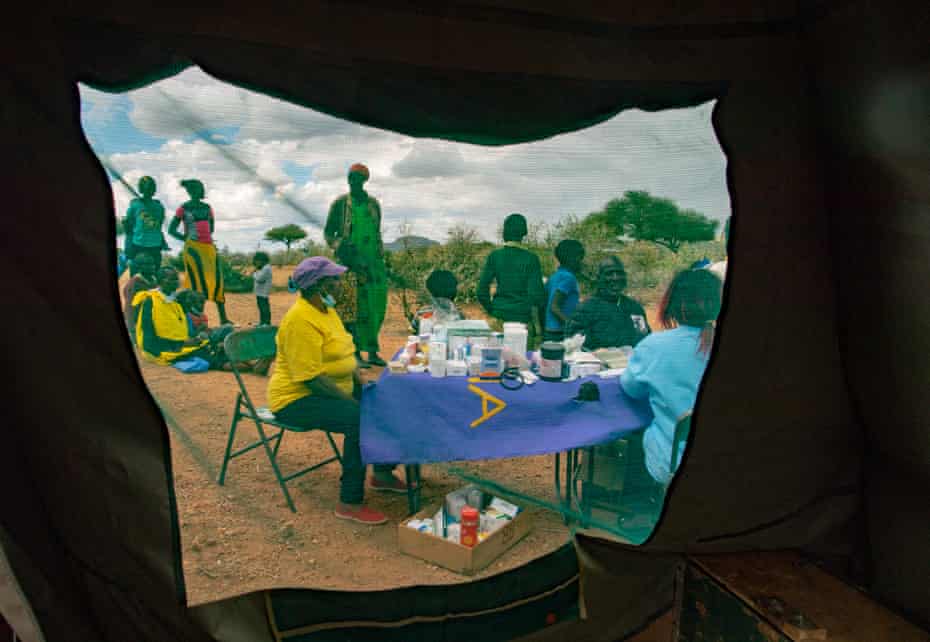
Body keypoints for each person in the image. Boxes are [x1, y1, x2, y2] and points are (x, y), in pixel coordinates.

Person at [267, 257, 403, 524]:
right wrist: (352, 402)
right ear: (319, 285)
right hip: (297, 398)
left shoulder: (327, 312)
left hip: (331, 389)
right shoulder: (300, 321)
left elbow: (345, 354)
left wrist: (363, 384)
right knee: (360, 419)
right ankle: (349, 502)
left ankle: (382, 473)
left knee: (386, 403)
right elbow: (310, 378)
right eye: (335, 280)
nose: (341, 285)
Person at [618, 268, 723, 514]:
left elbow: (630, 389)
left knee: (645, 432)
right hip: (728, 460)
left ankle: (642, 505)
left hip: (673, 464)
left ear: (673, 305)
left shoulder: (655, 346)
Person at [324, 163, 388, 367]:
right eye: (351, 177)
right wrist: (339, 246)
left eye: (358, 178)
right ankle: (355, 354)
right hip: (349, 264)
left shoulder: (374, 205)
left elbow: (377, 234)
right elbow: (328, 233)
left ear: (364, 181)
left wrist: (381, 260)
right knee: (352, 309)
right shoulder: (340, 204)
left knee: (375, 309)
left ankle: (373, 351)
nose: (353, 181)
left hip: (374, 266)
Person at [168, 179, 232, 325]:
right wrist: (186, 239)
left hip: (209, 249)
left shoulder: (208, 208)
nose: (199, 191)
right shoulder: (183, 208)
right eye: (196, 189)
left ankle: (223, 318)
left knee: (217, 282)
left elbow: (212, 229)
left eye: (201, 188)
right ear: (189, 191)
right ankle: (199, 319)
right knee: (197, 284)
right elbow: (171, 230)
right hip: (193, 249)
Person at [476, 213, 546, 347]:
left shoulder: (495, 256)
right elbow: (536, 295)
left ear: (504, 232)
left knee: (495, 363)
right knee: (522, 364)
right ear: (524, 233)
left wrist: (493, 310)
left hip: (498, 320)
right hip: (522, 322)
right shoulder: (531, 258)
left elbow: (481, 291)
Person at [566, 257, 651, 350]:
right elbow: (574, 345)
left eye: (619, 273)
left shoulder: (634, 308)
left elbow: (644, 338)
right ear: (599, 278)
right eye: (609, 274)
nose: (615, 278)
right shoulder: (585, 309)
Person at [544, 239, 585, 342]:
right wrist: (570, 324)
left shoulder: (554, 276)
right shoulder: (568, 278)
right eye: (580, 258)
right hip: (559, 332)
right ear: (571, 259)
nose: (581, 262)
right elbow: (554, 306)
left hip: (550, 330)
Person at [124, 176, 166, 266]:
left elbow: (128, 224)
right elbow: (128, 223)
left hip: (149, 244)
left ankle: (128, 256)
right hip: (142, 244)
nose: (148, 189)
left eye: (149, 187)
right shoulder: (136, 205)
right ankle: (128, 256)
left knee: (150, 271)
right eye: (147, 187)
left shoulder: (158, 206)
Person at [123, 253, 158, 343]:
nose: (152, 267)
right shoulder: (135, 283)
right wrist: (132, 328)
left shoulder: (153, 280)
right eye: (148, 264)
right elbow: (130, 307)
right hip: (137, 320)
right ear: (139, 267)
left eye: (153, 264)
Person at [252, 251, 273, 326]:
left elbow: (259, 278)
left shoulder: (266, 268)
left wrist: (254, 273)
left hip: (263, 292)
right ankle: (262, 322)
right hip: (259, 292)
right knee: (261, 307)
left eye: (257, 261)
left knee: (264, 308)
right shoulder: (263, 268)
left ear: (262, 260)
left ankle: (267, 323)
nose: (256, 263)